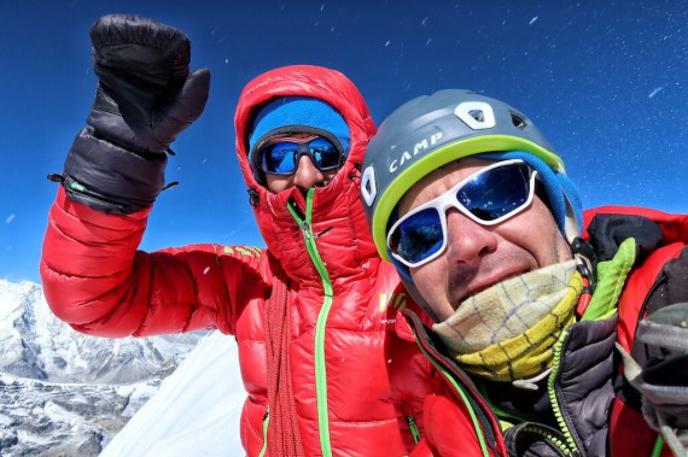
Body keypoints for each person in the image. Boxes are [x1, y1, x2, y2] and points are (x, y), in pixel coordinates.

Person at [40, 14, 449, 457]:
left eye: (325, 151)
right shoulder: (246, 282)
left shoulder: (420, 270)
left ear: (357, 161)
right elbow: (93, 300)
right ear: (256, 176)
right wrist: (118, 152)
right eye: (281, 155)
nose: (306, 174)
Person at [361, 89, 688, 456]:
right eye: (419, 236)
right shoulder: (439, 446)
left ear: (557, 208)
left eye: (497, 193)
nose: (467, 244)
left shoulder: (676, 292)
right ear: (415, 286)